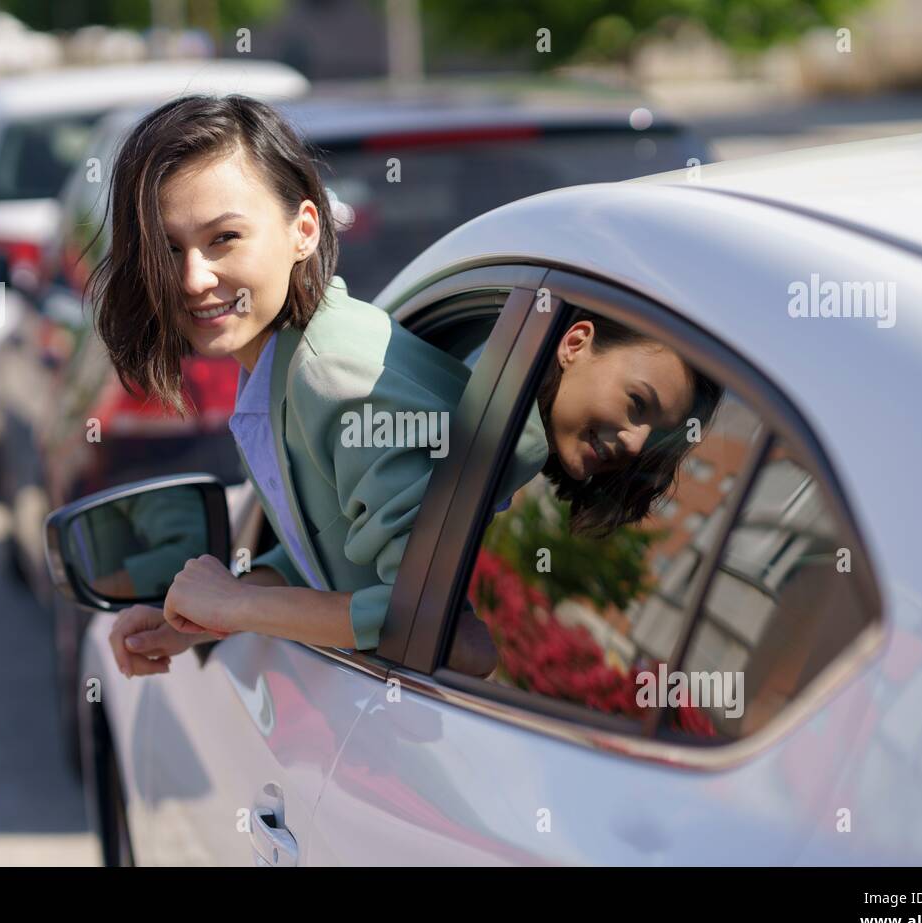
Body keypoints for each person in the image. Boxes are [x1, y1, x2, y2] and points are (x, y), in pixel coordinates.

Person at [88, 94, 719, 680]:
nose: (194, 278)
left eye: (224, 238)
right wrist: (208, 616)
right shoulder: (289, 366)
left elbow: (424, 621)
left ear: (304, 229)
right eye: (169, 249)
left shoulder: (333, 373)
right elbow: (334, 552)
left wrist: (237, 607)